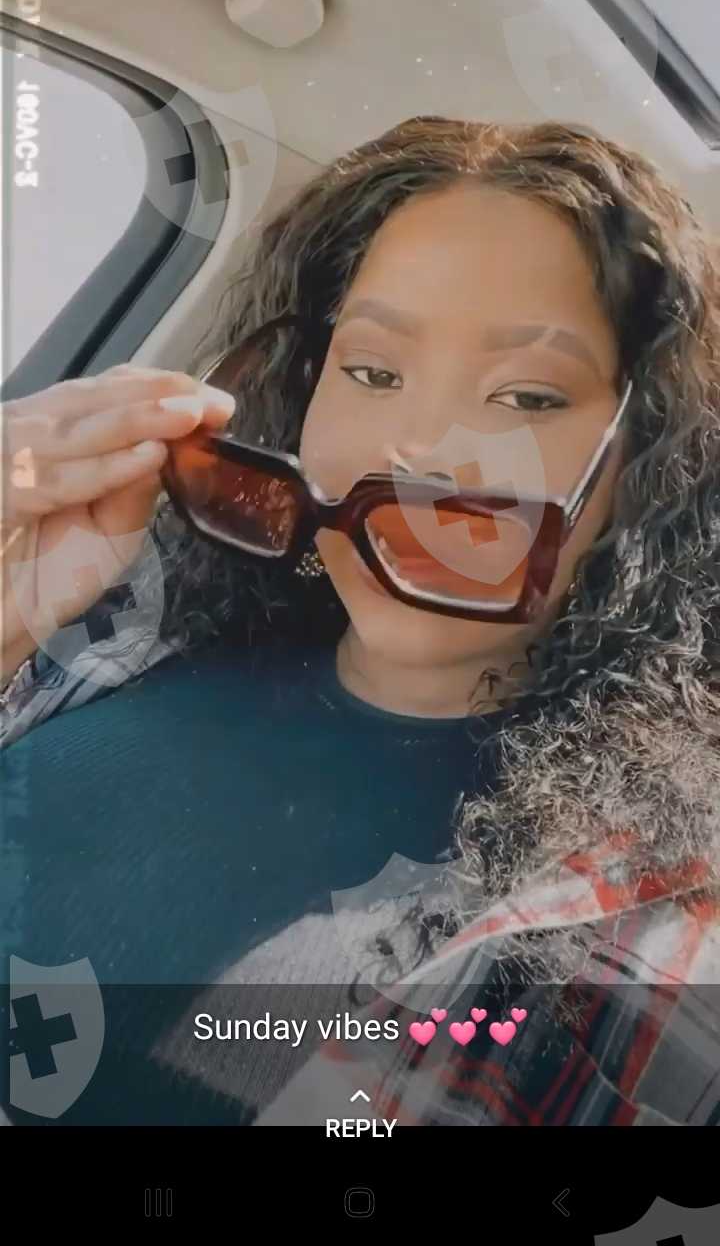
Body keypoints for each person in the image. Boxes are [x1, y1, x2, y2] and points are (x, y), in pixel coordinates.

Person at [2, 117, 720, 1128]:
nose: (417, 451)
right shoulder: (124, 620)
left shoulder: (649, 917)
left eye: (525, 395)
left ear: (645, 465)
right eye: (373, 372)